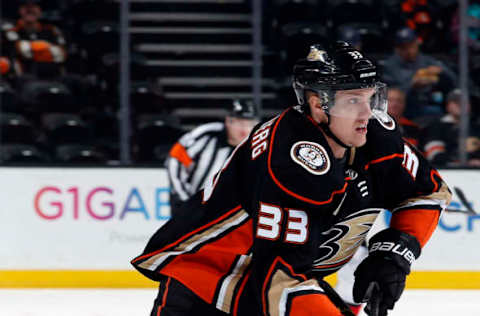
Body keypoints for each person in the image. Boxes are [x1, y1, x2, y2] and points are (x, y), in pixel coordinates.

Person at [132, 42, 451, 316]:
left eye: (371, 98)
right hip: (207, 284)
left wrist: (394, 252)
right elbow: (277, 280)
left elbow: (427, 193)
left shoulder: (376, 134)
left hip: (279, 281)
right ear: (317, 104)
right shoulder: (289, 158)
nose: (368, 113)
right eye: (353, 100)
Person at [166, 99, 260, 216]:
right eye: (240, 123)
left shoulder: (259, 146)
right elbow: (175, 159)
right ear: (228, 121)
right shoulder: (206, 135)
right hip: (190, 207)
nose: (244, 130)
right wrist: (185, 199)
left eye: (250, 124)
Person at [382, 27, 457, 118]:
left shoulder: (428, 61)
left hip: (429, 105)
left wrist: (441, 74)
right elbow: (389, 94)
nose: (408, 50)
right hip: (405, 108)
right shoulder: (390, 66)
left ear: (418, 42)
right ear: (397, 49)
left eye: (411, 45)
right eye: (404, 47)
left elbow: (454, 80)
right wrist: (412, 84)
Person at [2, 0, 67, 78]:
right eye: (26, 7)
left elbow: (61, 55)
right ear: (20, 10)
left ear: (40, 10)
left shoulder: (51, 29)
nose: (30, 10)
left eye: (34, 6)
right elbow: (19, 51)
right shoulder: (10, 30)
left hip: (53, 75)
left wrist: (32, 48)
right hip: (23, 77)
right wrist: (47, 48)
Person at [423, 89, 480, 167]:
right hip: (448, 173)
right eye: (457, 101)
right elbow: (434, 155)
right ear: (448, 106)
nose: (461, 104)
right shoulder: (436, 127)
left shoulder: (477, 127)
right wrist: (464, 162)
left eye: (465, 101)